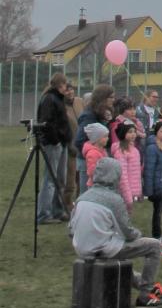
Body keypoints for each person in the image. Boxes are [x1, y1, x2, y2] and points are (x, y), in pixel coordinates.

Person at [70, 158, 162, 308]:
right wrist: (139, 235)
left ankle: (146, 286)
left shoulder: (82, 198)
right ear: (115, 176)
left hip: (82, 249)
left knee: (118, 258)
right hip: (102, 249)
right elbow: (128, 232)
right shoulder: (114, 200)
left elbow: (71, 229)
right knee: (154, 246)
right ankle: (145, 296)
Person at [36, 73, 72, 223]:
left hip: (61, 143)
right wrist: (56, 140)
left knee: (60, 178)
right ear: (60, 85)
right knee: (50, 178)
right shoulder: (50, 99)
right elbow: (46, 123)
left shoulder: (58, 99)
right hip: (53, 144)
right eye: (65, 85)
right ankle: (44, 214)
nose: (67, 88)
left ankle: (58, 210)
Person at [111, 123, 143, 213]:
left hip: (131, 192)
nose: (133, 134)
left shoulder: (134, 149)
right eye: (130, 132)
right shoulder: (121, 152)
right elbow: (122, 175)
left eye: (134, 132)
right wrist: (128, 198)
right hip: (123, 193)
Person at [63, 83, 83, 213]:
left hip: (83, 145)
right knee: (70, 178)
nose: (70, 92)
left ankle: (81, 203)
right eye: (66, 90)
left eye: (71, 89)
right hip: (70, 146)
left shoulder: (80, 102)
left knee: (82, 177)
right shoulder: (61, 106)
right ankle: (67, 205)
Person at [82, 123, 110, 189]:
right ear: (96, 138)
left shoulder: (102, 150)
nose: (108, 138)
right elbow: (92, 172)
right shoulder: (92, 153)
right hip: (95, 185)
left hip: (103, 184)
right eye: (105, 136)